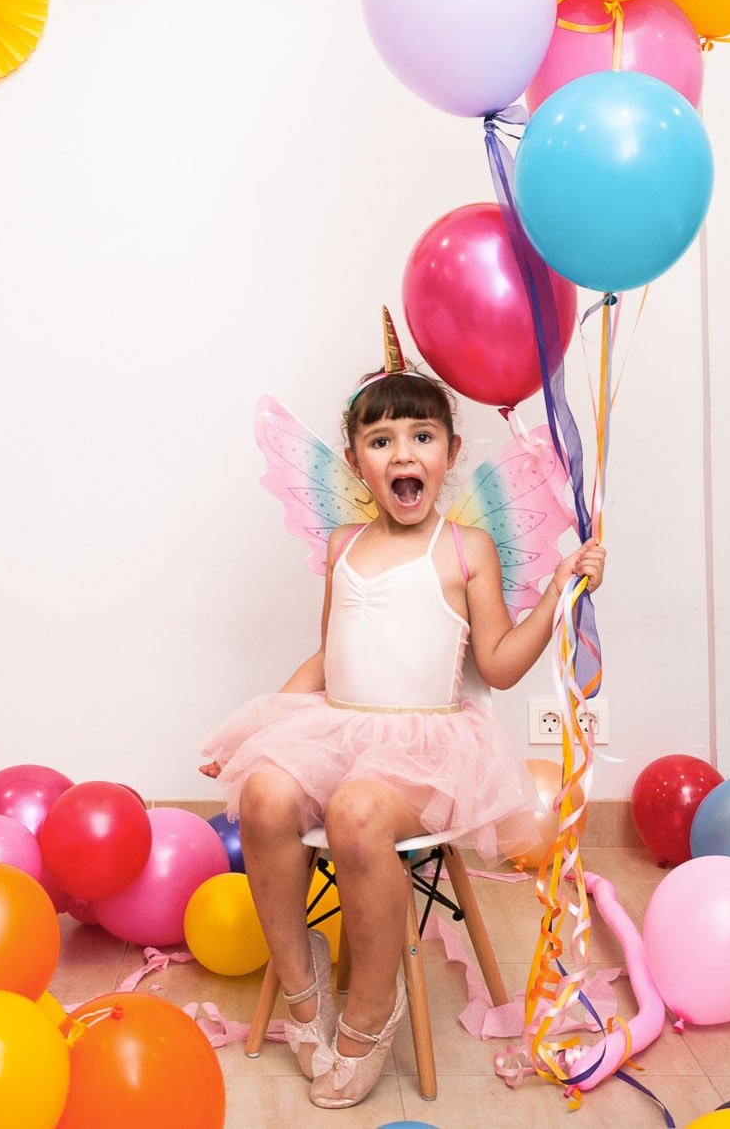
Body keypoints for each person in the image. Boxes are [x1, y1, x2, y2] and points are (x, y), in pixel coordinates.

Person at [199, 336, 606, 1110]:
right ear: (357, 463)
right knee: (263, 799)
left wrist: (557, 590)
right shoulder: (344, 544)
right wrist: (257, 738)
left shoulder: (467, 548)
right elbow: (328, 655)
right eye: (380, 440)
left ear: (449, 452)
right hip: (339, 726)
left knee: (355, 813)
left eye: (421, 437)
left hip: (427, 747)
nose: (402, 452)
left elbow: (498, 663)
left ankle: (367, 1012)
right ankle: (299, 981)